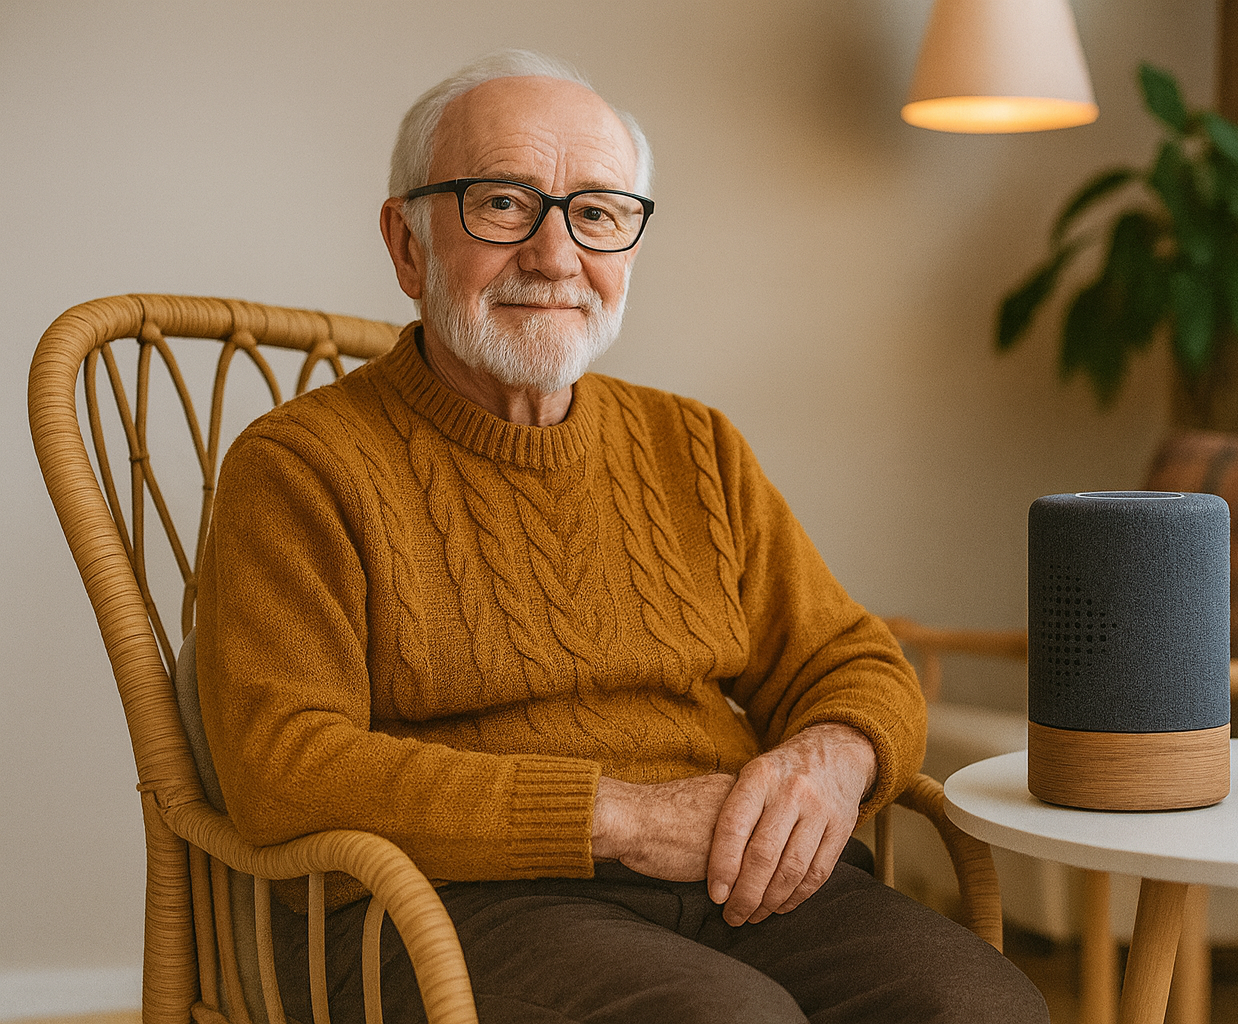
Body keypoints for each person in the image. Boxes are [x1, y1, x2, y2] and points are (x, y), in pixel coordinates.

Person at [197, 48, 1047, 1024]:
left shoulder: (695, 445)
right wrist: (621, 818)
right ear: (407, 244)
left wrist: (832, 756)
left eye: (597, 213)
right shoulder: (298, 466)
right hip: (444, 902)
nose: (556, 256)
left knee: (982, 1007)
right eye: (503, 204)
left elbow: (851, 657)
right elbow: (283, 765)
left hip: (726, 874)